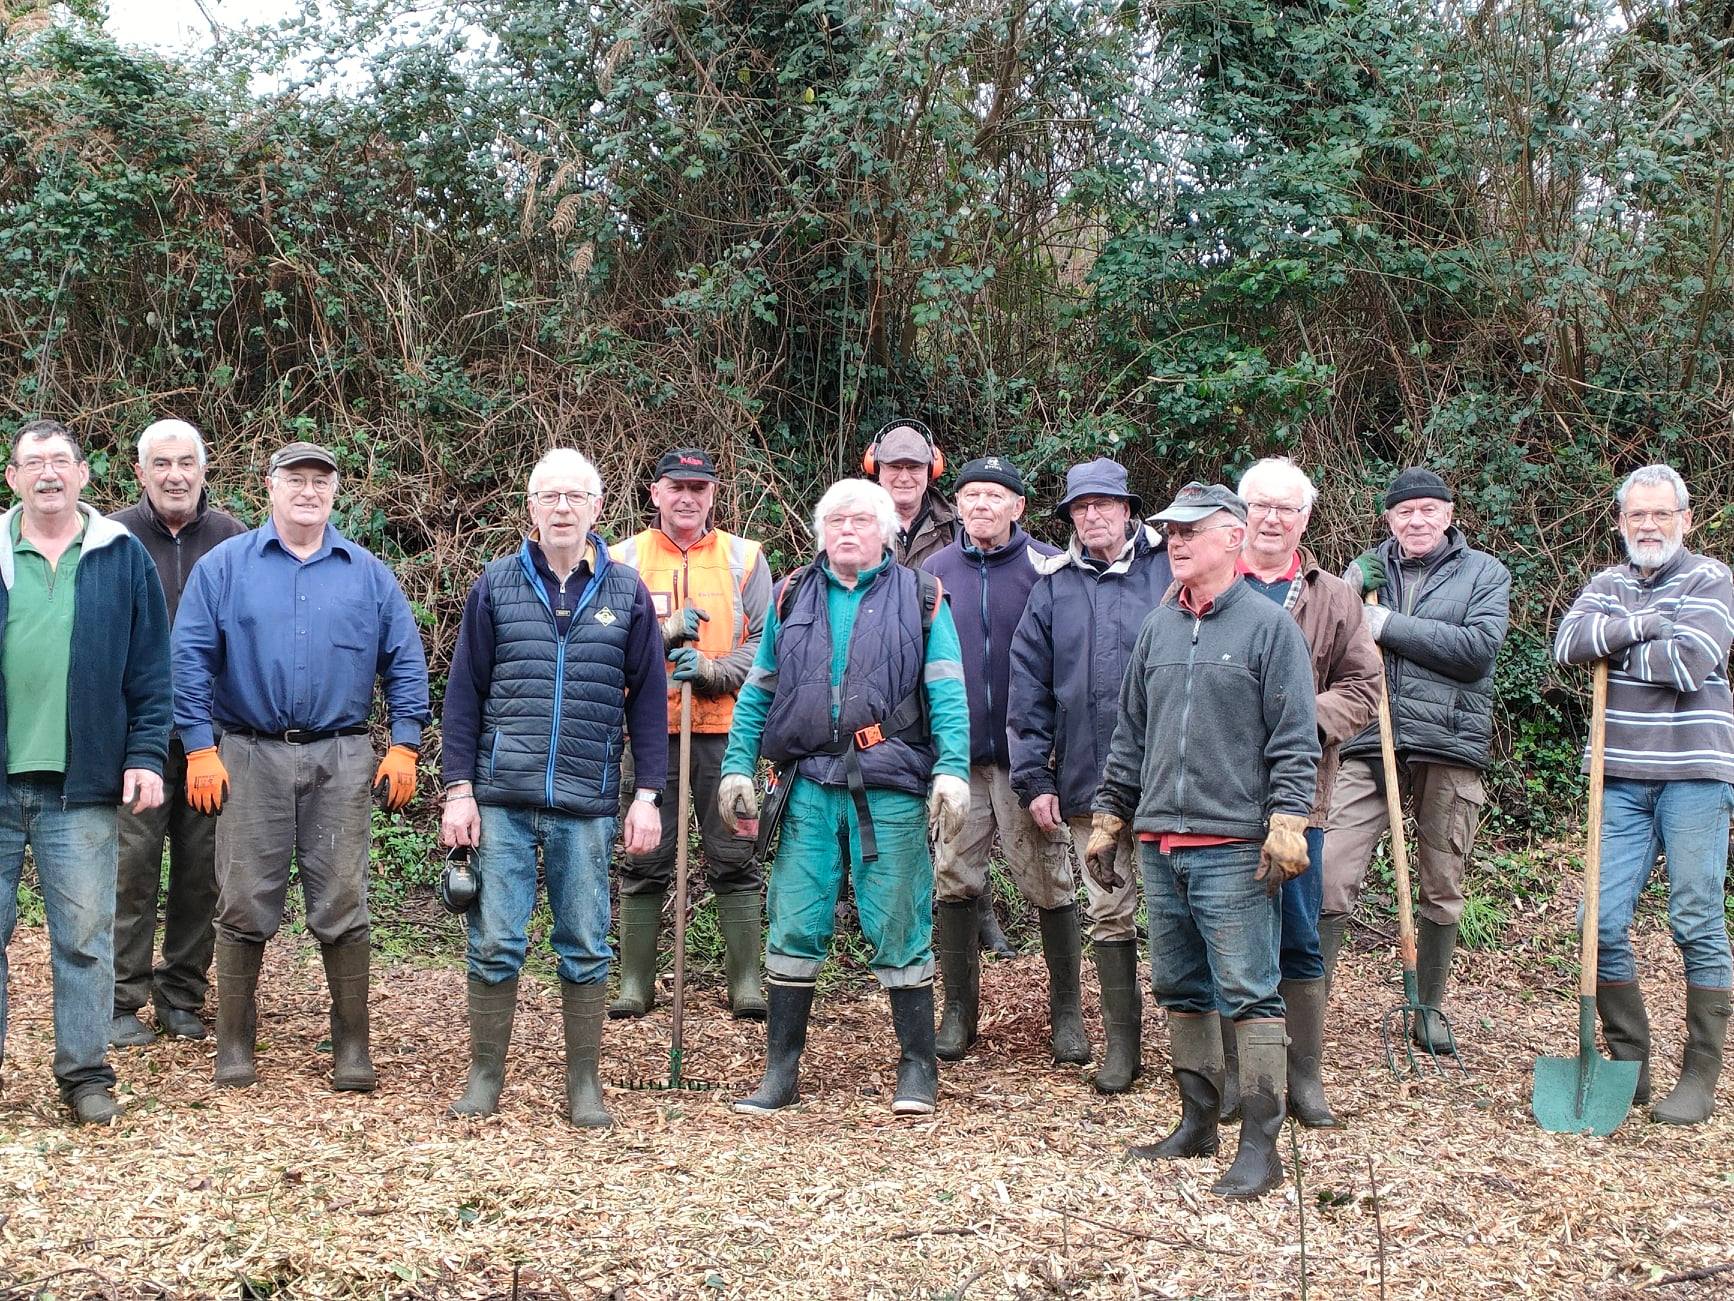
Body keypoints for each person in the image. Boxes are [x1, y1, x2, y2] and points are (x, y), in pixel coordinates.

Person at [172, 440, 431, 1092]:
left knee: (343, 898)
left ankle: (352, 1046)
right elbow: (190, 658)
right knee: (242, 897)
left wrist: (404, 742)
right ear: (270, 487)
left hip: (341, 755)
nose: (308, 491)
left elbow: (404, 659)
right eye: (296, 480)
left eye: (320, 481)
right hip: (246, 752)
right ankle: (234, 1043)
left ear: (335, 492)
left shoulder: (367, 573)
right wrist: (199, 746)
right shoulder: (226, 568)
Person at [1087, 482, 1317, 1200]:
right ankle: (1196, 1120)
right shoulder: (1159, 628)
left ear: (1233, 537)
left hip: (1232, 844)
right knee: (1182, 986)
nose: (1175, 542)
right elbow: (1131, 732)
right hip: (1161, 842)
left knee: (1249, 989)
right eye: (1170, 532)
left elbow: (1294, 736)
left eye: (1191, 530)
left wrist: (1287, 820)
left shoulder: (1268, 627)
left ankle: (1260, 1143)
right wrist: (1111, 814)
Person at [718, 478, 970, 1116]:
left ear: (886, 531)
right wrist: (737, 766)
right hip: (807, 785)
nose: (848, 531)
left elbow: (946, 689)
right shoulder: (792, 593)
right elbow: (758, 690)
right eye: (836, 521)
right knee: (796, 921)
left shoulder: (923, 597)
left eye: (861, 520)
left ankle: (917, 1069)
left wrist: (953, 771)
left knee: (898, 923)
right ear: (821, 532)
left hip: (889, 787)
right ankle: (781, 1072)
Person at [440, 449, 667, 1127]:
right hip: (501, 798)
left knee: (585, 942)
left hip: (587, 801)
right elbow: (463, 695)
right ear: (530, 508)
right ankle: (485, 1077)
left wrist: (648, 793)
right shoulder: (495, 584)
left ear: (599, 507)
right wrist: (458, 789)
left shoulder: (626, 593)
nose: (562, 507)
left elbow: (649, 702)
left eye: (575, 496)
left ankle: (584, 1084)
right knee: (496, 940)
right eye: (549, 496)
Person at [0, 419, 170, 1123]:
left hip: (85, 784)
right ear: (11, 478)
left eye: (59, 461)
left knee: (83, 939)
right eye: (31, 462)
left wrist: (145, 754)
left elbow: (151, 670)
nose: (46, 473)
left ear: (83, 475)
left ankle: (86, 1075)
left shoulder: (121, 555)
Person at [1554, 464, 1734, 1125]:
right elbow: (1567, 643)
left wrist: (1620, 637)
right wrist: (1648, 624)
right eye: (1637, 516)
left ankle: (1699, 1076)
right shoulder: (1607, 582)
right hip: (1620, 776)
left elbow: (1692, 661)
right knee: (1596, 925)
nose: (1649, 525)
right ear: (1621, 522)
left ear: (1685, 520)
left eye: (1661, 514)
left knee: (1695, 918)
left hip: (1694, 770)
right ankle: (1629, 1061)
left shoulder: (1712, 578)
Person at [1325, 468, 1510, 1055]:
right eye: (1406, 512)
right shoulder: (1359, 575)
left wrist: (1390, 626)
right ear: (1389, 519)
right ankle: (1309, 1008)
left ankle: (1427, 1008)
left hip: (1448, 744)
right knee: (1328, 870)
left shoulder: (1485, 573)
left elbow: (1476, 652)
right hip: (1365, 739)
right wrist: (1350, 596)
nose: (1418, 520)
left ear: (1450, 514)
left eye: (1430, 509)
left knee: (1443, 878)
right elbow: (1319, 642)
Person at [1008, 457, 1172, 1093]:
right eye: (1081, 507)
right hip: (1084, 780)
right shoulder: (1053, 586)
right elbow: (1028, 693)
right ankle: (1121, 1049)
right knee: (1109, 910)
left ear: (1128, 508)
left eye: (1104, 503)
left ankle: (1200, 1049)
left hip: (1170, 780)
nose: (1093, 515)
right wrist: (1034, 780)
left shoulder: (1167, 569)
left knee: (1177, 910)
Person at [1224, 457, 1379, 1128]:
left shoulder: (1333, 596)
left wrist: (1298, 717)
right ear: (1241, 511)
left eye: (1287, 508)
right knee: (1222, 936)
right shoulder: (1209, 581)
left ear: (1305, 518)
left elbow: (1364, 689)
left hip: (1300, 794)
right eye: (1261, 505)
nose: (1273, 517)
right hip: (1216, 794)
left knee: (1298, 935)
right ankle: (1235, 1079)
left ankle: (1304, 1079)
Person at [921, 456, 1088, 1065]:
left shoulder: (1048, 568)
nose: (981, 505)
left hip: (1027, 760)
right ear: (957, 506)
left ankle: (1066, 1012)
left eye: (995, 495)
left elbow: (1068, 659)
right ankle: (958, 1012)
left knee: (1049, 878)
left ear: (1019, 506)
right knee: (954, 876)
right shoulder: (932, 573)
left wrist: (1049, 753)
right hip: (957, 759)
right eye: (971, 495)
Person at [609, 447, 771, 1021]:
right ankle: (635, 984)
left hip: (727, 733)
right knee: (643, 854)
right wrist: (662, 637)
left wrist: (710, 672)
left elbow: (764, 647)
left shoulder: (744, 558)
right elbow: (606, 647)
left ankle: (746, 984)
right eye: (676, 487)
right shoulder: (620, 559)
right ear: (655, 493)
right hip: (648, 732)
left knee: (735, 853)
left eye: (698, 489)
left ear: (712, 496)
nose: (687, 498)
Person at [108, 419, 246, 1047]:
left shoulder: (232, 539)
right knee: (129, 871)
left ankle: (182, 993)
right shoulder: (111, 538)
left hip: (211, 743)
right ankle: (119, 998)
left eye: (185, 462)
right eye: (160, 463)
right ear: (141, 473)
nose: (174, 475)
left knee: (201, 873)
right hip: (134, 739)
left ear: (203, 468)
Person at [865, 419, 1006, 955]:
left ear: (932, 471)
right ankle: (887, 919)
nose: (904, 476)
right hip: (879, 687)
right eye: (894, 466)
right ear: (876, 470)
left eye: (914, 467)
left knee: (960, 805)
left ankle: (980, 913)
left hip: (947, 675)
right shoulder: (859, 519)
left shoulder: (958, 525)